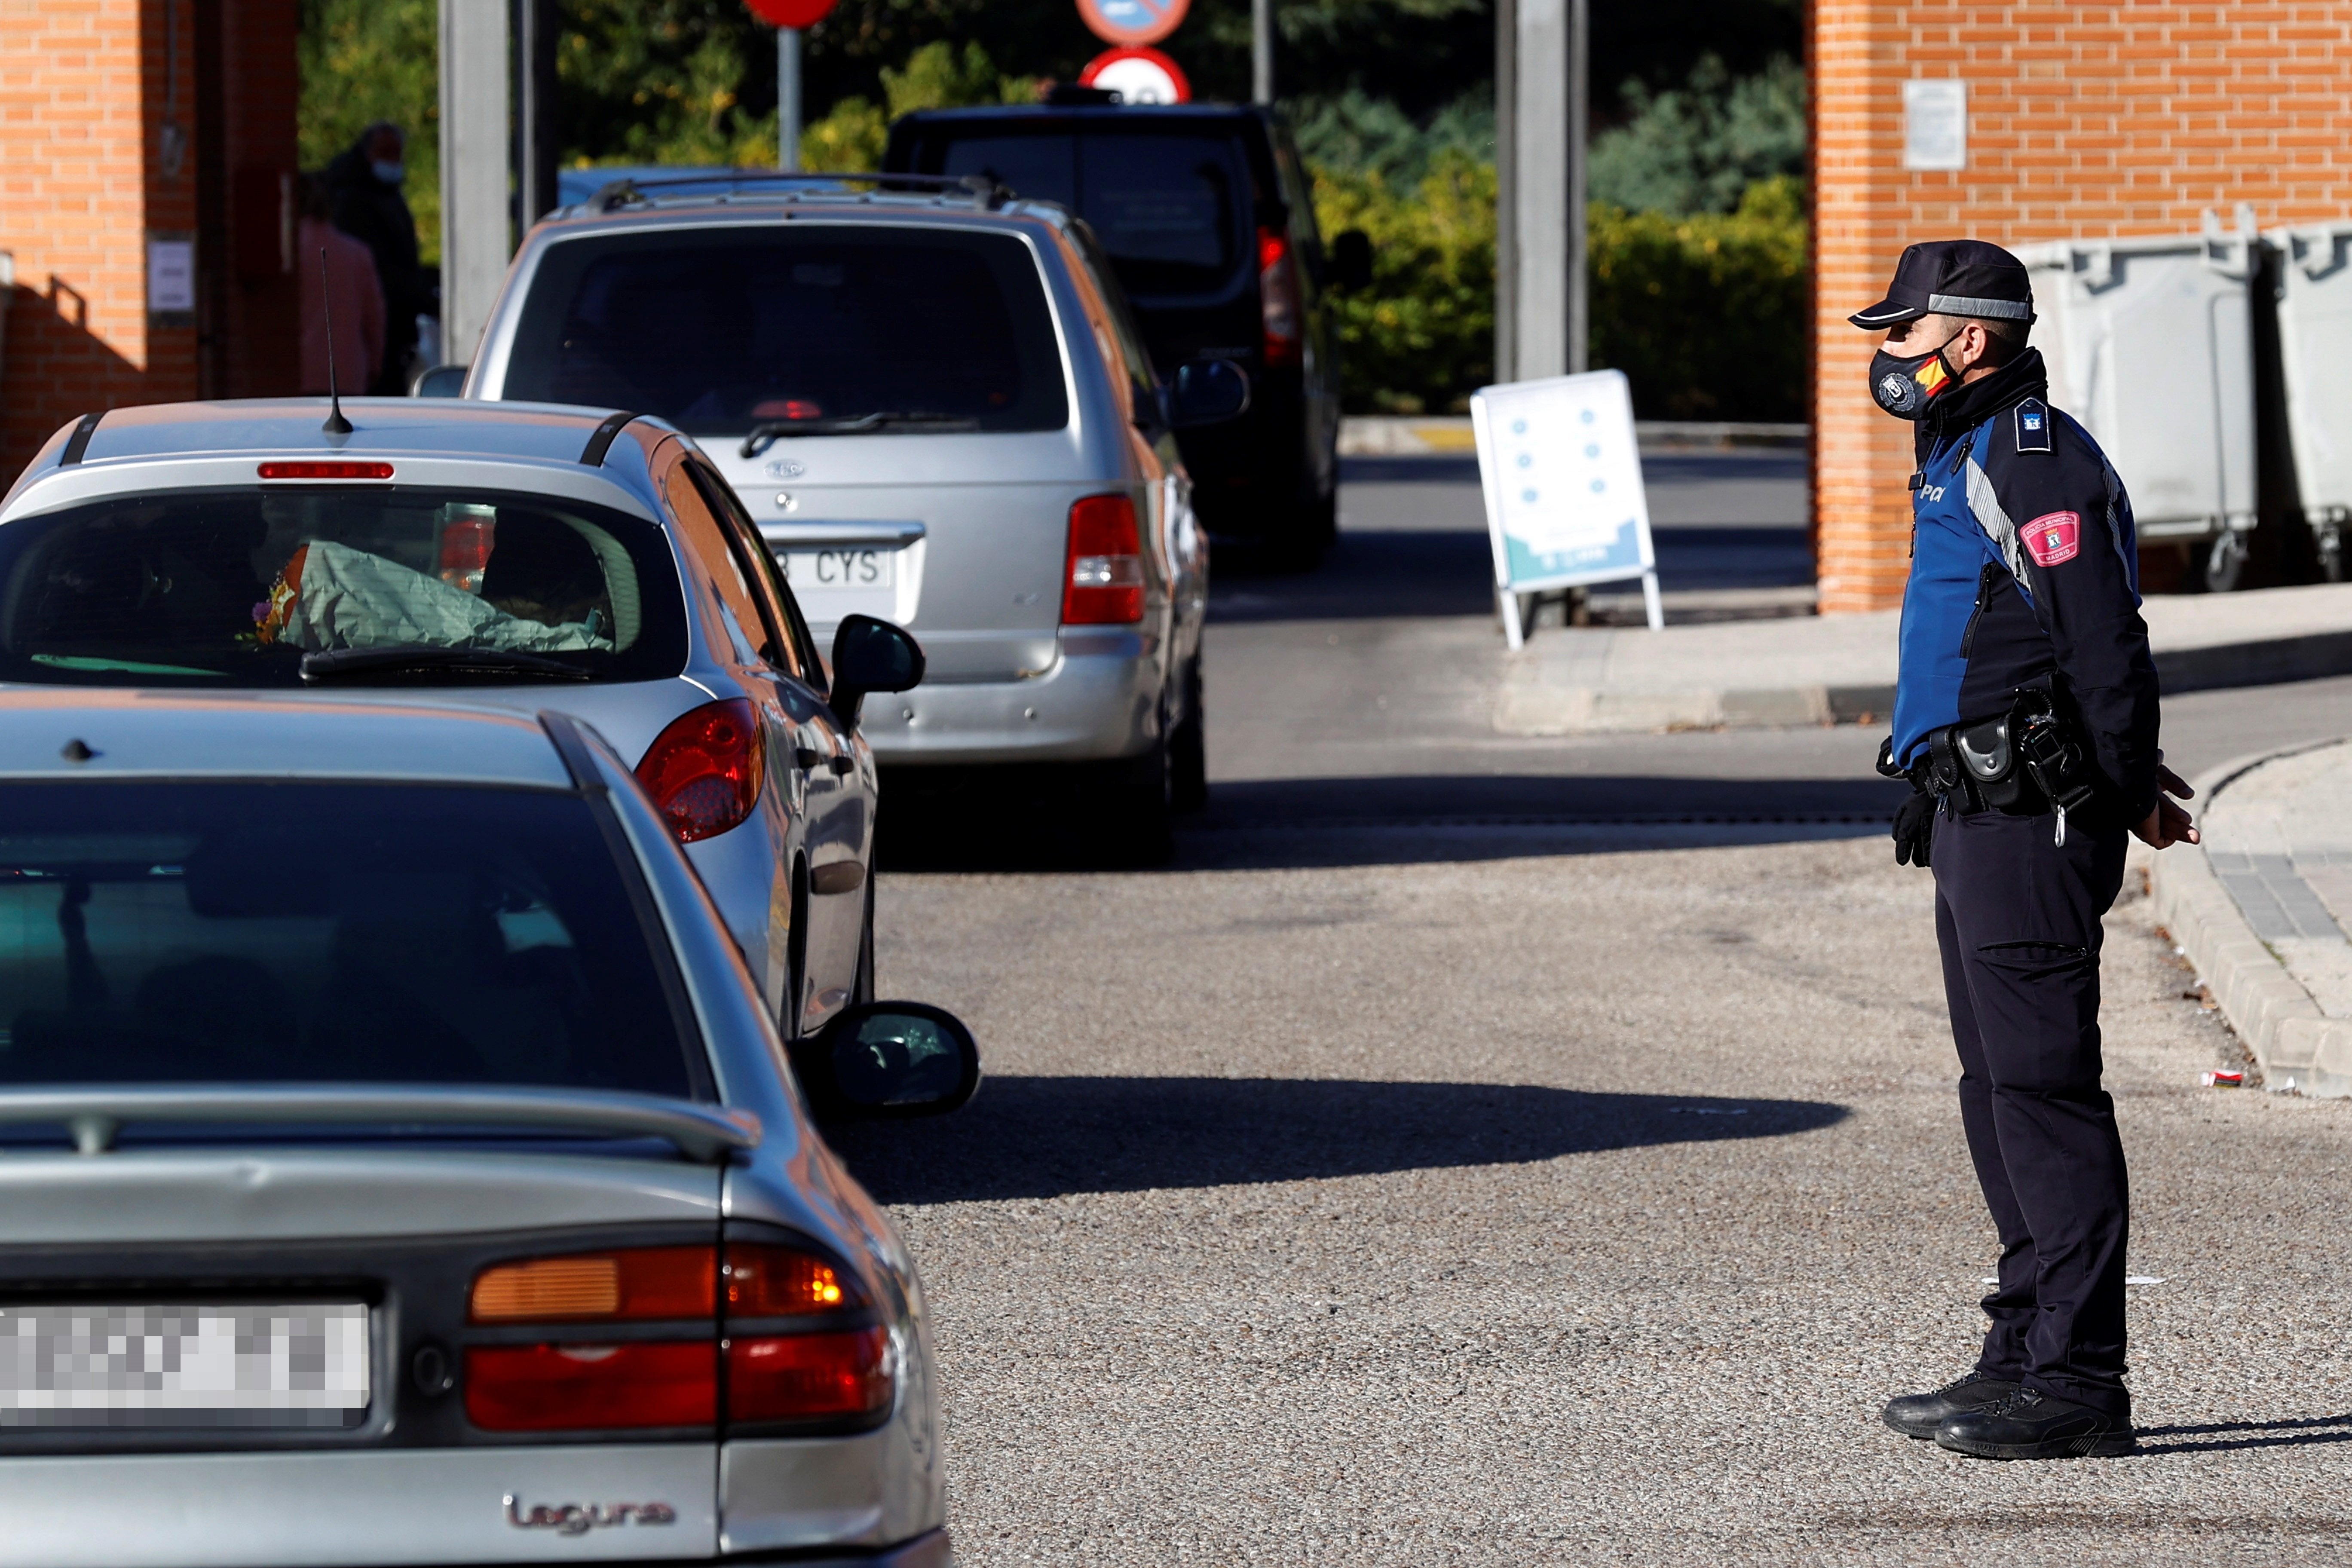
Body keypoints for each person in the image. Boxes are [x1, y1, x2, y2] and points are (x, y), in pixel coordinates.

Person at [1855, 240, 2199, 1461]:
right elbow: (1966, 635)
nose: (1885, 357)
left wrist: (2117, 795)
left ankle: (2078, 1383)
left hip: (2035, 818)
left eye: (1901, 334)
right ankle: (2020, 1349)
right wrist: (1924, 775)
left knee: (2046, 1096)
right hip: (1974, 813)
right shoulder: (1960, 447)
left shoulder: (2031, 456)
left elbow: (2106, 645)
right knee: (1996, 1090)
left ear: (1969, 338)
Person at [325, 122, 424, 394]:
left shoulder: (387, 195)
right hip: (374, 335)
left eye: (397, 152)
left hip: (394, 329)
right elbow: (379, 275)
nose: (394, 160)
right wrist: (420, 294)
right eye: (386, 152)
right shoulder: (353, 201)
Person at [297, 173, 384, 398]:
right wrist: (375, 362)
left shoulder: (289, 255)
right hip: (347, 371)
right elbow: (374, 317)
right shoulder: (356, 253)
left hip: (298, 372)